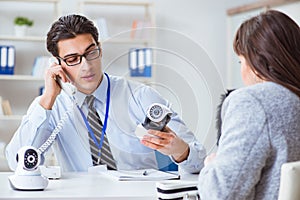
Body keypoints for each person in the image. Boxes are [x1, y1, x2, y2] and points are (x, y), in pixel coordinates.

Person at [5, 14, 205, 173]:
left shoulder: (141, 96)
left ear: (99, 48)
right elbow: (17, 163)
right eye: (73, 58)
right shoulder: (50, 105)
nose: (86, 66)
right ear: (57, 64)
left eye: (91, 52)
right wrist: (48, 99)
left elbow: (200, 161)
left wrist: (181, 152)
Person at [198, 10, 300, 199]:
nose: (242, 71)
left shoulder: (254, 102)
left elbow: (221, 194)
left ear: (257, 63)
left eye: (241, 62)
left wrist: (211, 165)